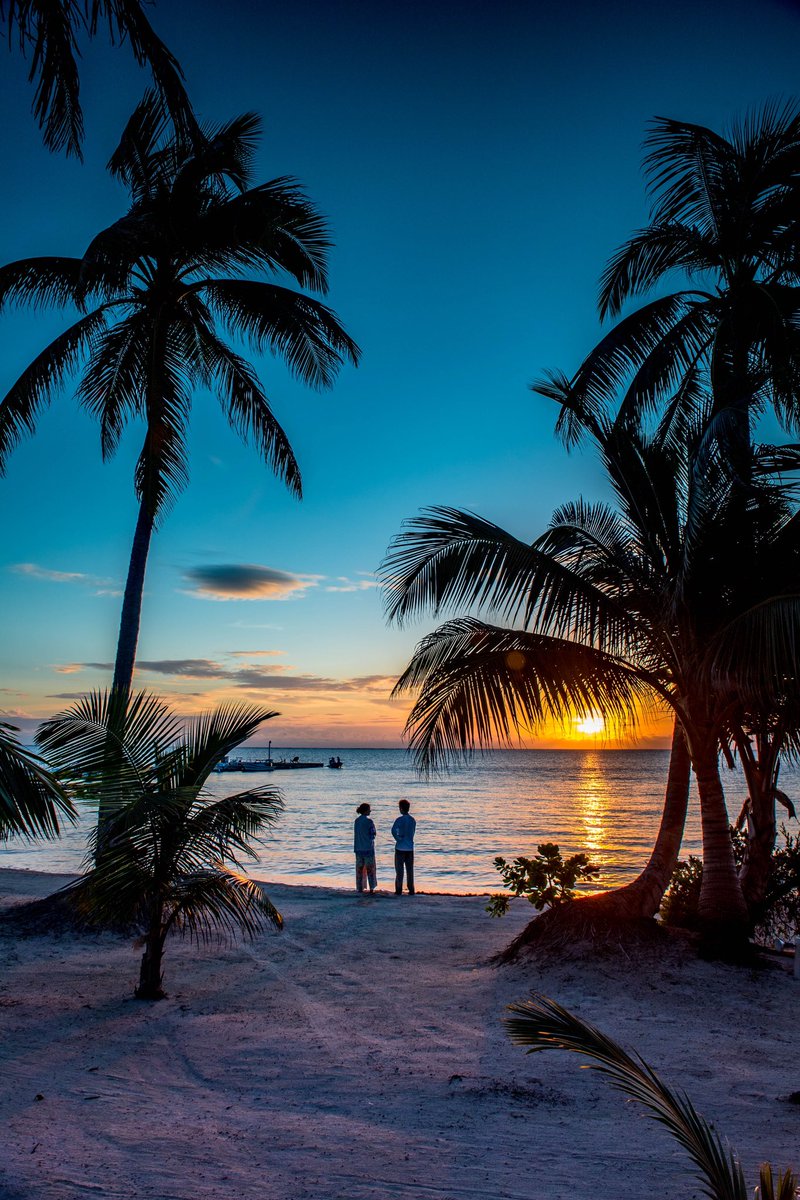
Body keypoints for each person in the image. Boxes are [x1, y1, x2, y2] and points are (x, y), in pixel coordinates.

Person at [391, 799, 416, 895]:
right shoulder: (412, 820)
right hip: (410, 848)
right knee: (410, 870)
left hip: (400, 848)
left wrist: (397, 839)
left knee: (399, 870)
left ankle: (398, 889)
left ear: (401, 809)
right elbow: (413, 832)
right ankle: (411, 889)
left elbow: (393, 830)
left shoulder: (399, 820)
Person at [353, 802, 377, 894]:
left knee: (359, 870)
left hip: (358, 848)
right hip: (368, 848)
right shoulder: (369, 821)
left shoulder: (357, 821)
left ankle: (360, 888)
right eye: (369, 809)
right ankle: (371, 888)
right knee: (370, 869)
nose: (370, 811)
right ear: (366, 810)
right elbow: (372, 834)